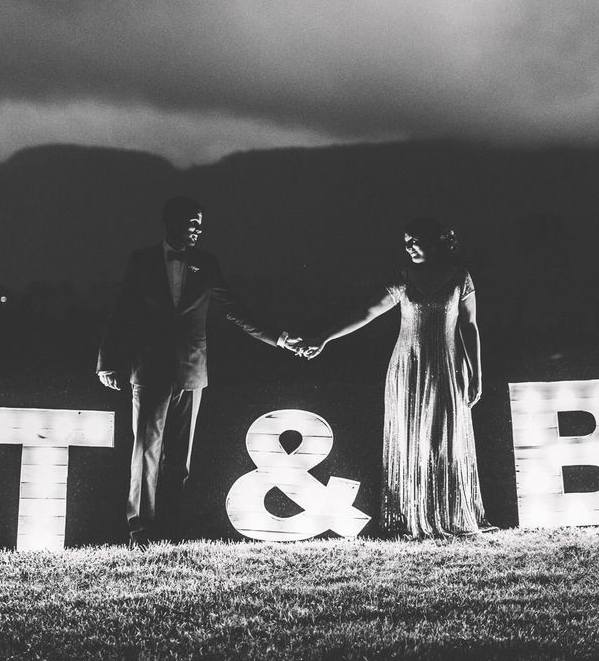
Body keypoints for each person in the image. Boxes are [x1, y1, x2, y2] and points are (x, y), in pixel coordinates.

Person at [97, 196, 300, 548]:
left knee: (181, 459)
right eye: (192, 223)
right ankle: (139, 530)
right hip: (148, 371)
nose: (198, 230)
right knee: (145, 453)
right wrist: (107, 362)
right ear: (171, 223)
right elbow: (122, 310)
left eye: (200, 224)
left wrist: (278, 338)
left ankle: (170, 530)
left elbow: (234, 309)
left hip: (192, 372)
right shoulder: (142, 260)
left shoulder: (206, 263)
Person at [298, 218, 492, 538]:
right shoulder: (404, 277)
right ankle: (414, 517)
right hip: (408, 367)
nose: (409, 247)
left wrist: (476, 374)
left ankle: (447, 514)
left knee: (443, 441)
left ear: (437, 241)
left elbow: (468, 327)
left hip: (445, 366)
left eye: (416, 240)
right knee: (411, 439)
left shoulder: (461, 277)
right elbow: (368, 311)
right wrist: (325, 337)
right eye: (406, 242)